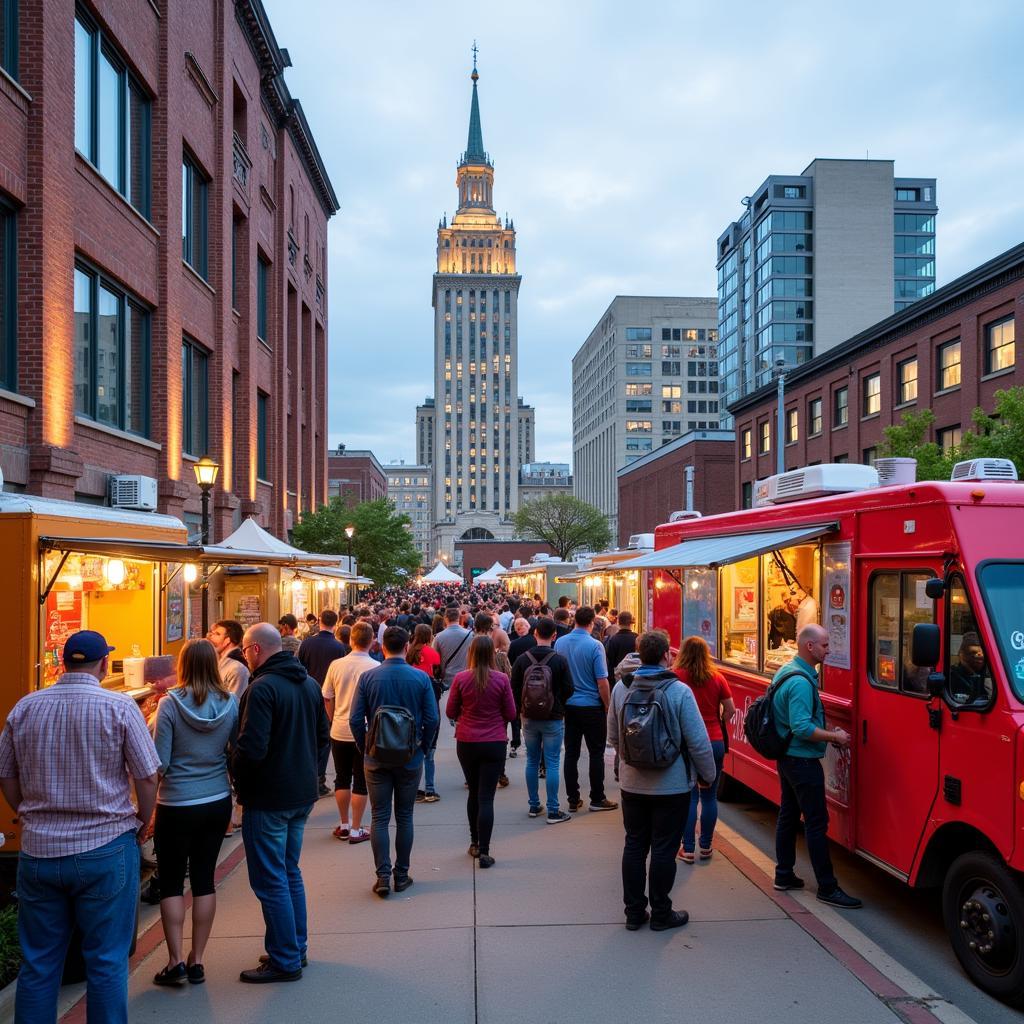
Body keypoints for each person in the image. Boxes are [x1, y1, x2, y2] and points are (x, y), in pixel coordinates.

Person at [0, 629, 160, 1023]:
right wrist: (143, 818)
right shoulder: (119, 707)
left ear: (61, 663)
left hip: (39, 850)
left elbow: (5, 775)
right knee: (105, 962)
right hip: (105, 846)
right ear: (104, 663)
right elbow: (148, 775)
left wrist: (29, 811)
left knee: (39, 965)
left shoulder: (25, 707)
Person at [231, 623, 331, 982]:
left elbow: (251, 748)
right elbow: (323, 737)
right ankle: (293, 947)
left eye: (244, 650)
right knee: (289, 873)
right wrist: (310, 772)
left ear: (255, 649)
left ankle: (285, 957)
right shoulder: (307, 684)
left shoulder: (262, 689)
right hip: (300, 792)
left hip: (270, 795)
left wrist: (236, 774)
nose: (244, 656)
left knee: (271, 879)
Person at [607, 630, 716, 932]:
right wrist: (707, 775)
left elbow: (614, 736)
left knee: (634, 845)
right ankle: (661, 912)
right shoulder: (679, 691)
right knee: (664, 848)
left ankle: (633, 912)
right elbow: (698, 741)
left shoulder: (621, 688)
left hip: (632, 784)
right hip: (672, 785)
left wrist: (630, 762)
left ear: (640, 653)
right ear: (667, 654)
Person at [152, 639, 239, 986]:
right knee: (204, 879)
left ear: (183, 664)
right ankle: (198, 958)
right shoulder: (229, 702)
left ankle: (174, 961)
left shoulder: (169, 705)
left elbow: (161, 762)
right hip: (216, 797)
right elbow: (232, 749)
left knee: (172, 881)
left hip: (176, 801)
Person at [772, 624, 861, 909]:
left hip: (787, 758)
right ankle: (827, 887)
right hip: (801, 760)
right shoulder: (800, 682)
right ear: (809, 647)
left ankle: (783, 874)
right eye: (824, 645)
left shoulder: (787, 670)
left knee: (788, 815)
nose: (829, 649)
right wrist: (834, 736)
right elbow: (800, 726)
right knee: (816, 823)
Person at [350, 627, 439, 897]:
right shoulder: (420, 678)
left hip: (376, 755)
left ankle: (383, 876)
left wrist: (365, 744)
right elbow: (432, 718)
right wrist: (423, 745)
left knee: (379, 817)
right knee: (404, 816)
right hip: (410, 755)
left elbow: (355, 719)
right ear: (407, 645)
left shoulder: (368, 678)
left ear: (381, 646)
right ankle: (402, 874)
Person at [448, 636, 517, 867]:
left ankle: (474, 842)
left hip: (467, 740)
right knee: (487, 797)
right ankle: (485, 851)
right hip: (494, 740)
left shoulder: (461, 678)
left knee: (474, 793)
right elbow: (511, 713)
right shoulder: (501, 679)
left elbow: (450, 710)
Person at [672, 636, 735, 863]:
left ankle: (687, 848)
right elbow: (731, 709)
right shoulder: (717, 677)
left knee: (689, 797)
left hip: (687, 743)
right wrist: (718, 722)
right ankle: (706, 846)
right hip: (714, 743)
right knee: (709, 797)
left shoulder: (676, 677)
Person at [509, 617, 574, 823]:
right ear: (554, 636)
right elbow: (569, 689)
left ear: (535, 633)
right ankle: (554, 809)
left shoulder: (522, 659)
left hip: (528, 717)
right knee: (553, 762)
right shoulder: (559, 660)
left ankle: (534, 805)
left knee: (531, 760)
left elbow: (514, 688)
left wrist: (522, 708)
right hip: (553, 717)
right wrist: (558, 705)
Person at [555, 606, 617, 813]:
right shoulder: (595, 645)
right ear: (591, 623)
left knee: (571, 753)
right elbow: (602, 681)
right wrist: (607, 704)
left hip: (569, 706)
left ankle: (573, 797)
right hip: (591, 706)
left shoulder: (560, 643)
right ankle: (597, 797)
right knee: (596, 753)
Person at [321, 622, 377, 845]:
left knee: (342, 777)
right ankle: (356, 828)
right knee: (361, 780)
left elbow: (327, 696)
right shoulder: (374, 666)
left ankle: (344, 824)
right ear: (371, 640)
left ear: (351, 640)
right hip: (364, 730)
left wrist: (333, 717)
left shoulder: (336, 665)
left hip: (339, 728)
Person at [298, 610, 346, 797]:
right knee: (324, 740)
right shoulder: (338, 647)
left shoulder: (307, 643)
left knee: (308, 738)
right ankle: (319, 779)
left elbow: (300, 667)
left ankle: (307, 776)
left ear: (319, 621)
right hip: (328, 699)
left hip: (308, 695)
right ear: (336, 623)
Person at [407, 623, 442, 803]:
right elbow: (437, 672)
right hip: (428, 695)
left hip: (412, 699)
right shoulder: (432, 653)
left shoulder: (409, 652)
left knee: (414, 748)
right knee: (430, 751)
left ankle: (412, 788)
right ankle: (429, 788)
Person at [433, 605, 472, 691]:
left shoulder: (439, 637)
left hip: (447, 681)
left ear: (445, 618)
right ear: (458, 618)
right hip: (467, 678)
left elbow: (435, 661)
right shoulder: (470, 635)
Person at [208, 619, 250, 698]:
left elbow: (235, 702)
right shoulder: (220, 661)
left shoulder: (237, 668)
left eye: (217, 634)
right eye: (212, 633)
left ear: (228, 640)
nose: (211, 637)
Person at [949, 633, 988, 704]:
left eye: (982, 653)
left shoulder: (990, 675)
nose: (979, 656)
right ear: (962, 655)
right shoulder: (952, 675)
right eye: (973, 653)